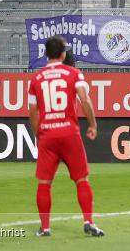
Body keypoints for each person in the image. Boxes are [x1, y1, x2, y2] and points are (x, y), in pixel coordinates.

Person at [28, 36, 103, 237]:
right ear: (63, 54)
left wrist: (39, 135)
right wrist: (93, 125)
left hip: (48, 134)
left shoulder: (36, 79)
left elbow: (32, 111)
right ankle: (88, 221)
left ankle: (45, 228)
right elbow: (84, 100)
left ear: (46, 54)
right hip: (69, 132)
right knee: (81, 179)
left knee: (44, 183)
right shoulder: (74, 74)